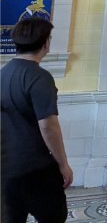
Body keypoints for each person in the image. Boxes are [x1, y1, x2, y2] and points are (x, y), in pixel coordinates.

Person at [1, 18, 72, 223]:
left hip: (6, 169)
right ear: (45, 43)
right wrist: (63, 164)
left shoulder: (3, 74)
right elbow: (48, 126)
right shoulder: (40, 78)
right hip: (36, 169)